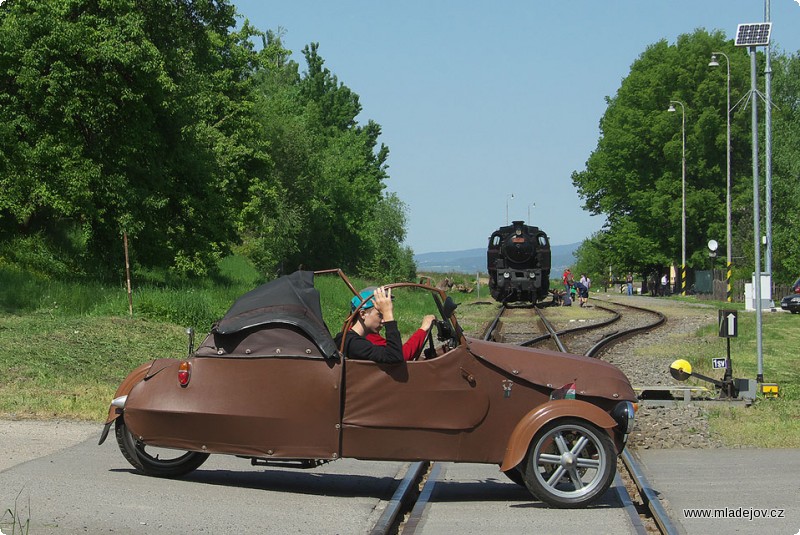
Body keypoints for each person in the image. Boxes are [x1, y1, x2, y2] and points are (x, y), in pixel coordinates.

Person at [334, 287, 435, 362]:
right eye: (380, 315)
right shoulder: (355, 344)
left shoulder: (347, 339)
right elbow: (396, 357)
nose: (383, 321)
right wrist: (388, 316)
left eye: (384, 316)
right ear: (363, 314)